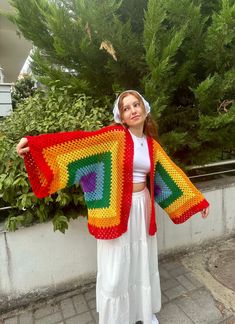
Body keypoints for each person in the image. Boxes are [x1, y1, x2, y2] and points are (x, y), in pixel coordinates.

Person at [17, 90, 209, 324]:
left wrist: (197, 201)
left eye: (136, 105)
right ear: (121, 116)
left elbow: (170, 176)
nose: (133, 110)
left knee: (141, 260)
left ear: (145, 109)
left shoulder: (151, 145)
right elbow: (77, 145)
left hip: (142, 208)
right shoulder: (114, 138)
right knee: (116, 268)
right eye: (126, 108)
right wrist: (34, 145)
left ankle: (144, 314)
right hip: (116, 211)